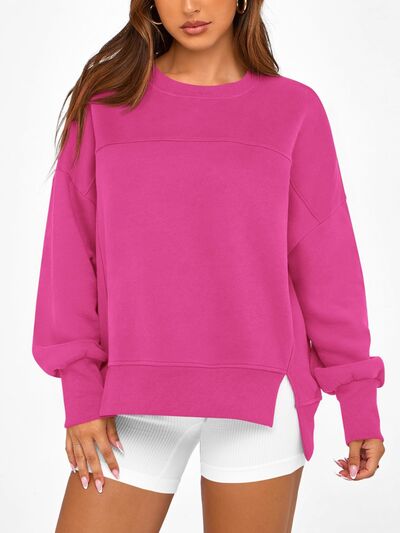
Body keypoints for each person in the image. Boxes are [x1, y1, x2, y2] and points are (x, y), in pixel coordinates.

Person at [31, 1, 385, 531]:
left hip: (262, 400)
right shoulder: (105, 108)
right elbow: (69, 257)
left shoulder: (293, 109)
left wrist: (358, 399)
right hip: (130, 400)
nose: (190, 6)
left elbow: (327, 262)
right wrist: (80, 392)